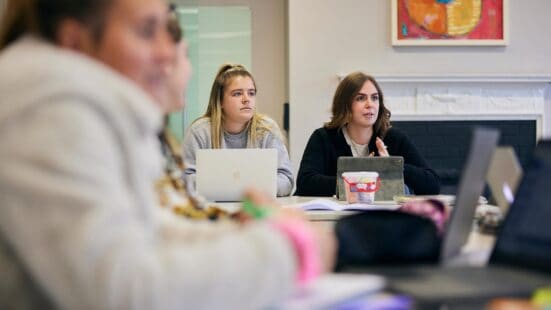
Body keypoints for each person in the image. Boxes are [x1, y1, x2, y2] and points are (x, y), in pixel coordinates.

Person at [0, 0, 335, 309]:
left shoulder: (97, 112)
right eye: (146, 31)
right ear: (74, 42)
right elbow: (125, 290)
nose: (167, 53)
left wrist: (252, 235)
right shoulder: (49, 110)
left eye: (168, 31)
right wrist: (288, 253)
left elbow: (153, 231)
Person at [295, 71, 440, 196]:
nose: (370, 104)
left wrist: (394, 165)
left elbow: (432, 184)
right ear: (345, 104)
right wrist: (361, 180)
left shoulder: (394, 138)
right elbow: (306, 183)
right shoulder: (323, 138)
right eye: (361, 98)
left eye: (375, 98)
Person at [182, 63, 294, 197]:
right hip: (212, 211)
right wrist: (229, 186)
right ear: (220, 101)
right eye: (237, 94)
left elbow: (286, 179)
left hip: (256, 210)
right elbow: (184, 179)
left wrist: (252, 190)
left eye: (251, 93)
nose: (247, 99)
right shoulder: (199, 132)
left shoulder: (267, 129)